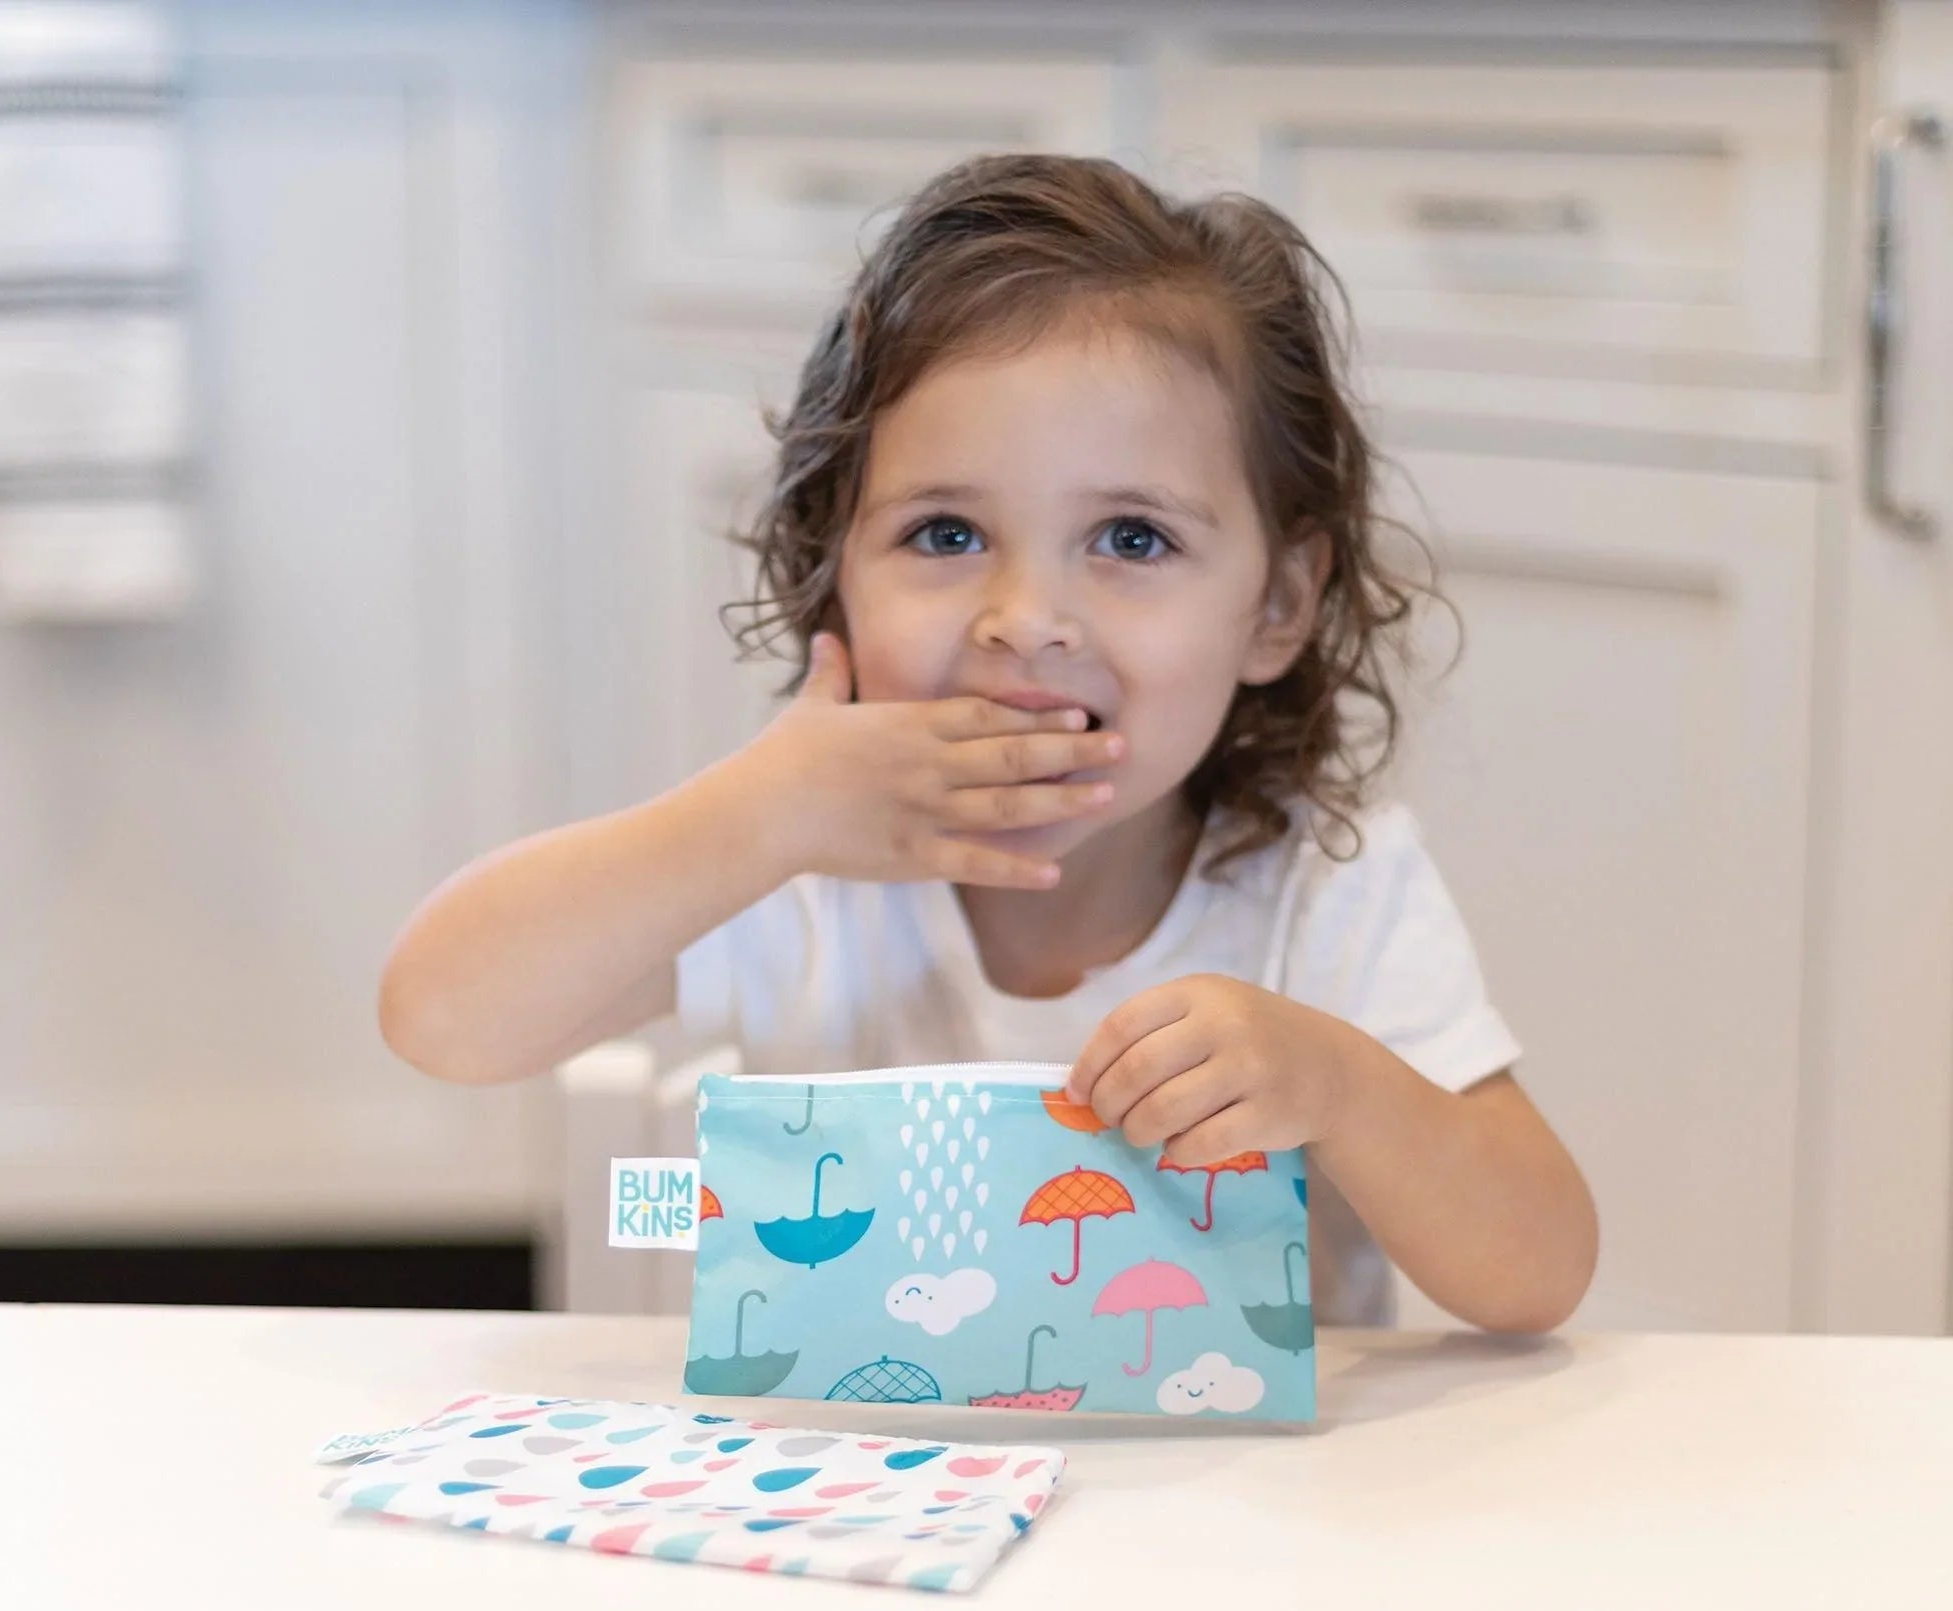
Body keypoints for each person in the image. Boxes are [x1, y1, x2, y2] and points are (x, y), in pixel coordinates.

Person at [379, 152, 1597, 1333]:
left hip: (1244, 1523)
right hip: (872, 1503)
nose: (1024, 622)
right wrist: (754, 816)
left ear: (1274, 605)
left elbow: (1535, 1273)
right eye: (946, 534)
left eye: (1130, 539)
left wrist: (1339, 1087)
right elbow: (441, 1015)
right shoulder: (798, 876)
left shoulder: (1326, 893)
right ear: (831, 569)